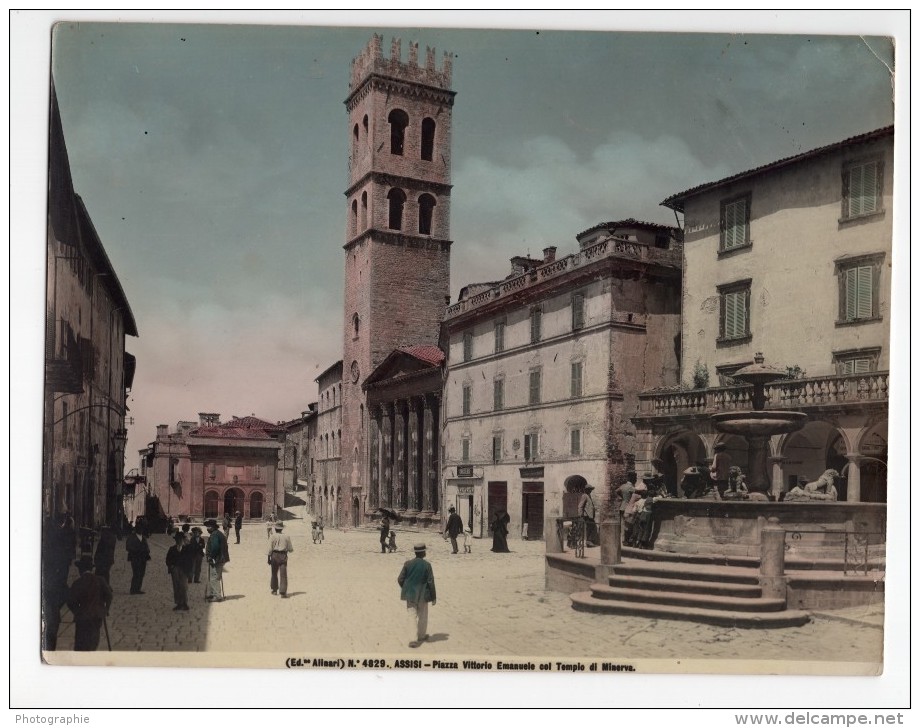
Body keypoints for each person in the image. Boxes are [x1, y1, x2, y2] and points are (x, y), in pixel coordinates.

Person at [67, 555, 113, 651]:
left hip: (82, 617)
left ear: (80, 570)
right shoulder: (100, 580)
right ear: (91, 569)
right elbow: (109, 595)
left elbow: (70, 601)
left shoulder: (78, 583)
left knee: (81, 642)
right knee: (93, 639)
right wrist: (105, 609)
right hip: (96, 616)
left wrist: (77, 611)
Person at [397, 543, 437, 648]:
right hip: (423, 595)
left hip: (410, 594)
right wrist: (433, 597)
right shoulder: (427, 565)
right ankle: (421, 635)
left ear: (415, 552)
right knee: (423, 616)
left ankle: (412, 639)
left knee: (412, 616)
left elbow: (400, 579)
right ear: (423, 553)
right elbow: (431, 582)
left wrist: (406, 588)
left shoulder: (407, 564)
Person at [165, 531, 193, 611]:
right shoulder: (172, 549)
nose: (179, 541)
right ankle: (178, 603)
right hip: (175, 570)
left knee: (183, 587)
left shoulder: (187, 549)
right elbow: (168, 559)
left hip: (184, 570)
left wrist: (190, 572)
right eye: (177, 539)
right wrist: (172, 566)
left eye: (180, 539)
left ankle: (184, 603)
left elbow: (190, 560)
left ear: (183, 539)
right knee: (176, 586)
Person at [204, 518, 229, 602]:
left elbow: (215, 547)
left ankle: (217, 596)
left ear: (213, 527)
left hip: (217, 559)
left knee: (214, 577)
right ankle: (212, 593)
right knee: (213, 576)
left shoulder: (215, 535)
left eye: (208, 527)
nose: (207, 528)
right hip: (220, 558)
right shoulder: (218, 533)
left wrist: (211, 556)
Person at [267, 521, 294, 597]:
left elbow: (269, 549)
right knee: (283, 574)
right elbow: (290, 549)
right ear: (282, 529)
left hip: (274, 555)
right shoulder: (287, 537)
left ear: (275, 528)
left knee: (274, 573)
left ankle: (274, 590)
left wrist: (268, 558)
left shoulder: (272, 536)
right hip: (283, 555)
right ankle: (283, 592)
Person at [125, 524, 151, 594]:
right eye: (139, 529)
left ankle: (138, 589)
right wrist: (137, 550)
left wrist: (147, 551)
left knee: (142, 574)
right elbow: (128, 547)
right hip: (135, 558)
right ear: (136, 530)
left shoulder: (143, 537)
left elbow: (147, 547)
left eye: (142, 529)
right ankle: (133, 589)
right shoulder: (131, 537)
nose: (141, 530)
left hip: (143, 558)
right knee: (136, 573)